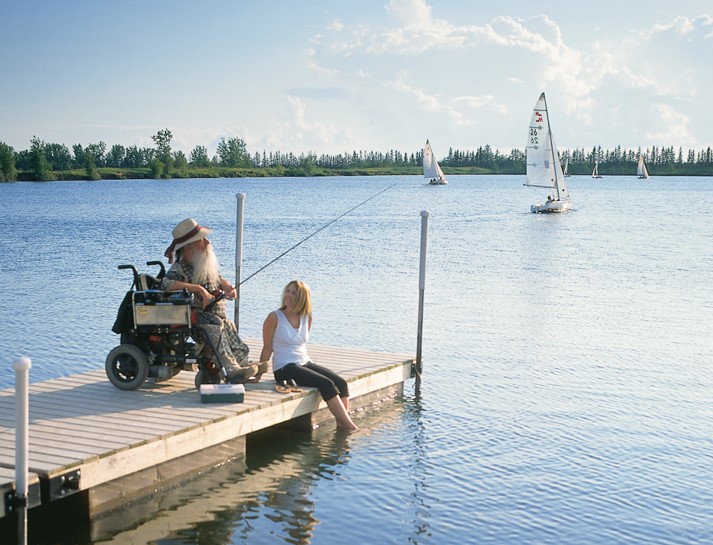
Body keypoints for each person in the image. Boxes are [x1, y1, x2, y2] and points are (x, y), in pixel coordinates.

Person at [161, 218, 266, 383]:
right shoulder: (179, 268)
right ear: (189, 247)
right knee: (216, 323)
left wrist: (227, 286)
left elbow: (217, 278)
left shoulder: (203, 264)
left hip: (214, 315)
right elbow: (166, 285)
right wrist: (198, 289)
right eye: (202, 240)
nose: (207, 243)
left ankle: (242, 360)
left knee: (228, 325)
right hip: (194, 316)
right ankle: (230, 368)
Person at [260, 280, 358, 431]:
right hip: (284, 368)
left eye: (293, 293)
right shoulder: (274, 317)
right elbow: (267, 348)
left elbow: (301, 343)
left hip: (304, 362)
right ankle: (350, 427)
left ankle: (341, 423)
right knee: (326, 384)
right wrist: (259, 374)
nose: (288, 295)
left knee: (341, 383)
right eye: (288, 291)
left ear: (302, 298)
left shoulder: (307, 317)